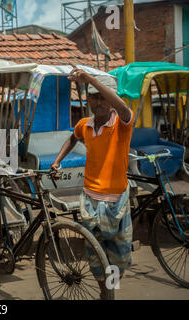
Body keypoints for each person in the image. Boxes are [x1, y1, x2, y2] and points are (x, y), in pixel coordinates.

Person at [50, 64, 134, 299]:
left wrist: (93, 81)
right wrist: (57, 161)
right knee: (95, 257)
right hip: (90, 200)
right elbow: (72, 138)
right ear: (87, 99)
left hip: (117, 200)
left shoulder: (122, 123)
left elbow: (122, 106)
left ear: (111, 100)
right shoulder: (85, 125)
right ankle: (104, 293)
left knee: (119, 256)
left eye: (102, 98)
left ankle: (111, 291)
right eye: (93, 97)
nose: (98, 102)